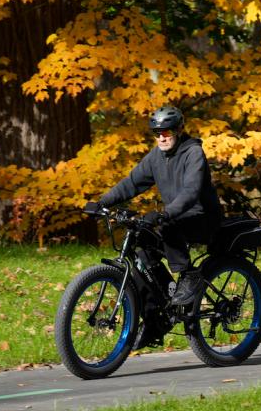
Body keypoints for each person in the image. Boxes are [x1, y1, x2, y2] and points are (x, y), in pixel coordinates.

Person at [95, 105, 222, 348]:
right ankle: (156, 318)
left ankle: (190, 276)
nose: (162, 137)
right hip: (175, 216)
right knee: (141, 249)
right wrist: (102, 202)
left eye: (167, 132)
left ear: (179, 130)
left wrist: (164, 213)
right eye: (157, 133)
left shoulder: (193, 152)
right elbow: (131, 183)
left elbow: (191, 192)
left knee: (167, 227)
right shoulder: (156, 156)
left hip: (202, 218)